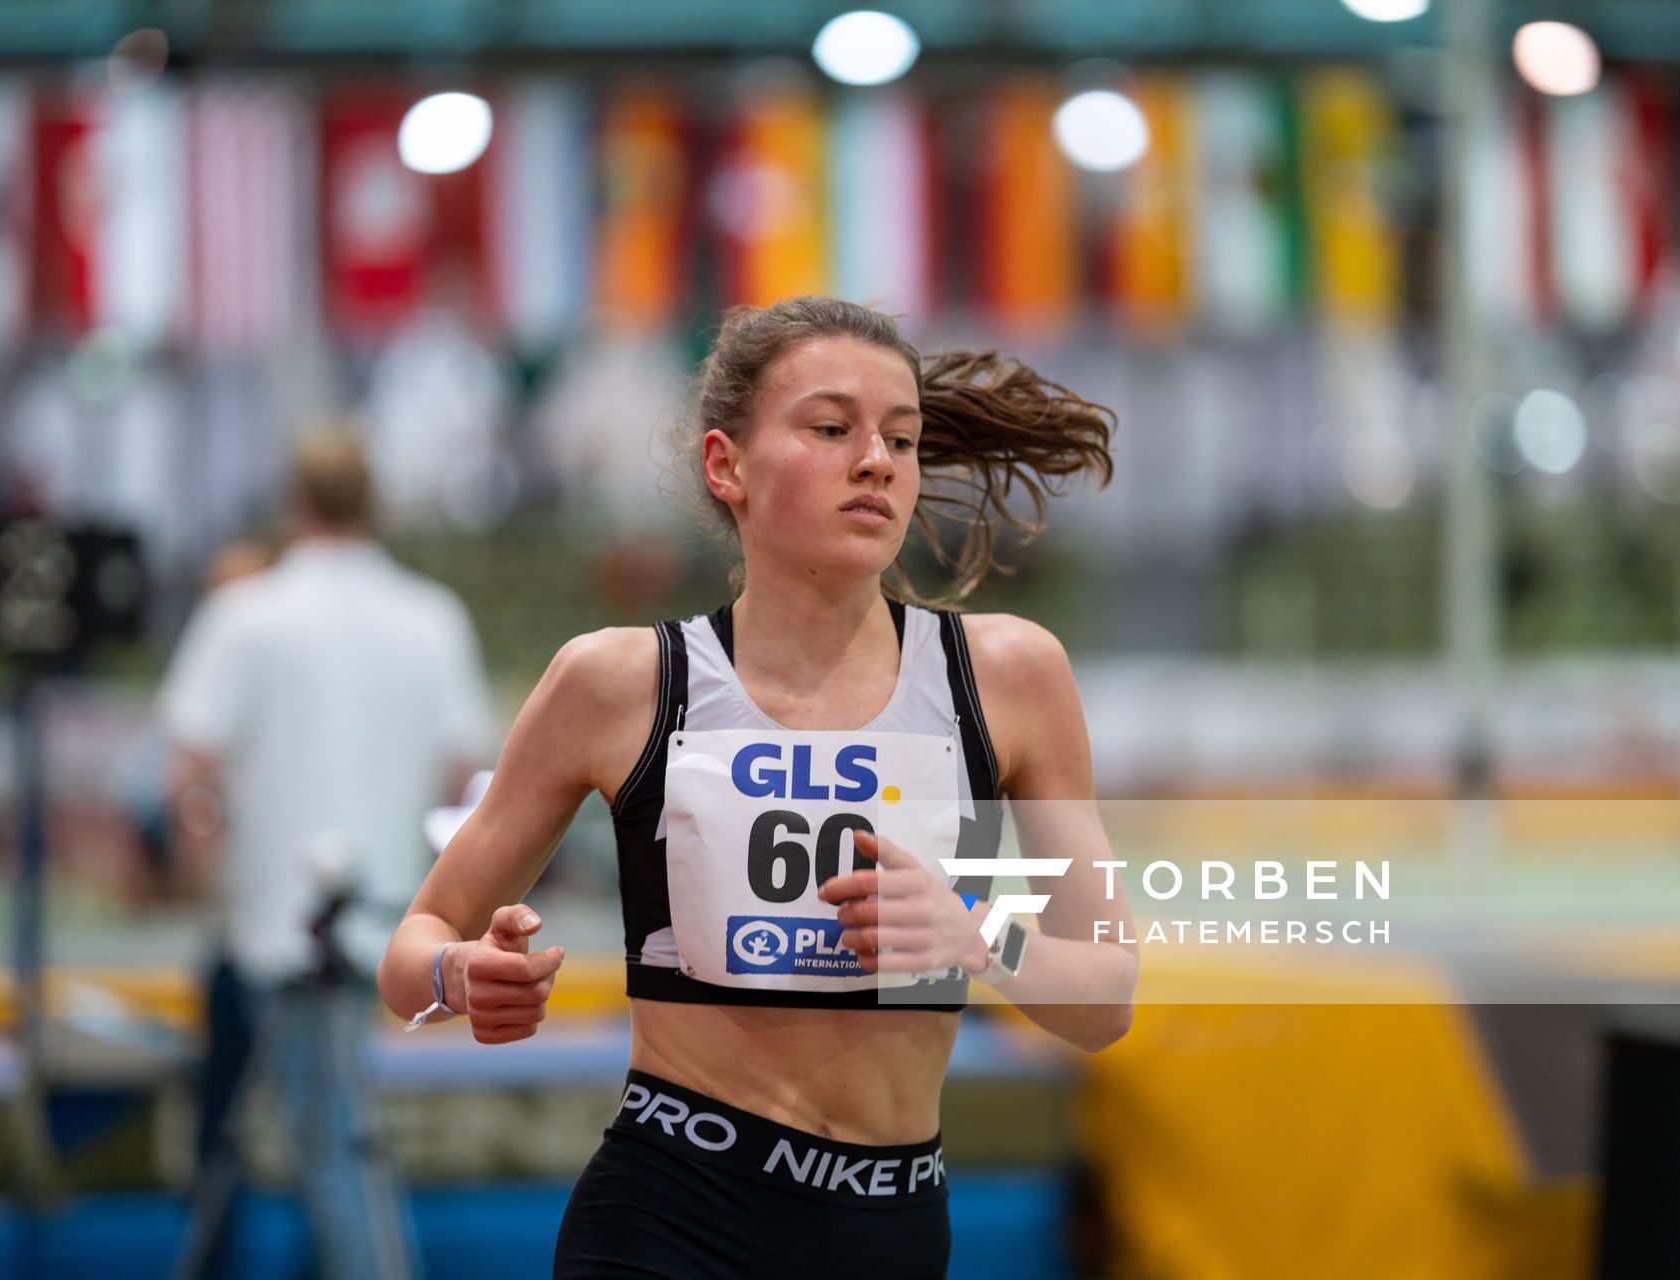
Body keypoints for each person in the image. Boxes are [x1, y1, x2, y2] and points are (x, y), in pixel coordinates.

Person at [378, 296, 1139, 1278]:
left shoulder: (1006, 677)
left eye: (901, 439)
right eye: (830, 428)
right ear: (725, 464)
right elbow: (414, 944)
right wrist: (458, 975)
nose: (876, 460)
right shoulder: (619, 683)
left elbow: (1108, 993)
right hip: (669, 1214)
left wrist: (976, 935)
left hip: (890, 1227)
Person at [160, 430, 494, 1280]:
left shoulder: (245, 616)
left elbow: (189, 771)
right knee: (327, 1136)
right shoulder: (433, 618)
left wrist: (205, 865)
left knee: (329, 1153)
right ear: (373, 503)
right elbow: (468, 779)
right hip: (384, 925)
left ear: (293, 502)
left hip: (274, 924)